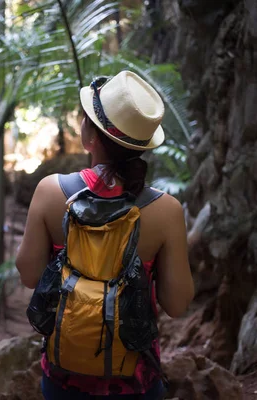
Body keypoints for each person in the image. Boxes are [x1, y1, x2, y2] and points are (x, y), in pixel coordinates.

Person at [16, 70, 195, 399]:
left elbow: (28, 275)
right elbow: (177, 304)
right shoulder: (166, 211)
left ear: (90, 135)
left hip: (62, 380)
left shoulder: (50, 192)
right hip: (136, 382)